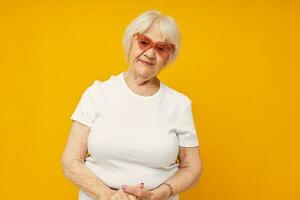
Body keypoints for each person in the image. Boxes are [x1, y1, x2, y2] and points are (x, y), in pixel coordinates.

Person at [61, 10, 202, 200]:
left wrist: (159, 194)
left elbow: (192, 168)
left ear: (169, 56)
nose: (150, 53)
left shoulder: (179, 104)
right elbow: (71, 160)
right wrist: (108, 196)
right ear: (130, 43)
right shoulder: (97, 93)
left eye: (161, 48)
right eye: (144, 42)